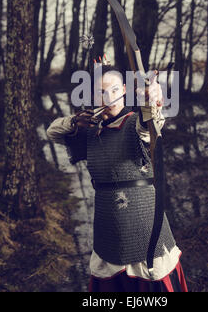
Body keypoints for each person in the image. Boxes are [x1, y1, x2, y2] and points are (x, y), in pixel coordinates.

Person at [47, 64, 188, 292]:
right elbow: (52, 132)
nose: (108, 97)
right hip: (108, 229)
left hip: (143, 226)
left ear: (123, 89)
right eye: (101, 92)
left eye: (113, 90)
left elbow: (150, 124)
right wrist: (75, 121)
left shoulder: (134, 123)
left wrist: (152, 101)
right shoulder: (92, 130)